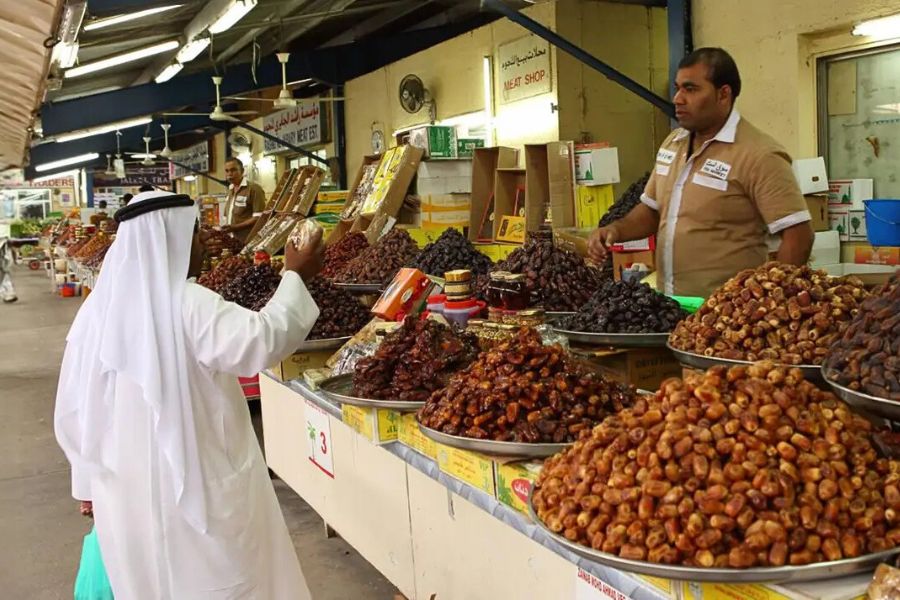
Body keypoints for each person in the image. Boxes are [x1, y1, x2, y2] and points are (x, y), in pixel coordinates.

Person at [54, 190, 324, 598]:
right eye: (195, 234)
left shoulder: (94, 313)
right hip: (198, 484)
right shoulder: (187, 304)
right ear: (175, 238)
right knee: (215, 580)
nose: (200, 246)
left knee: (150, 583)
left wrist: (87, 483)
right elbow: (261, 340)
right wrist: (296, 276)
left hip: (123, 492)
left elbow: (74, 410)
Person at [588, 47, 814, 297]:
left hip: (724, 312)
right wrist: (616, 230)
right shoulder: (673, 143)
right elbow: (652, 211)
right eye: (677, 88)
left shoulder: (759, 155)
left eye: (691, 89)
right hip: (669, 305)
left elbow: (798, 235)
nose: (678, 98)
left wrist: (773, 301)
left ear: (723, 94)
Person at [221, 157, 266, 244]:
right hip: (232, 240)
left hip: (248, 241)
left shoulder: (254, 189)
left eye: (233, 170)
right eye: (227, 171)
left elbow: (259, 217)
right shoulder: (230, 190)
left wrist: (235, 227)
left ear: (242, 171)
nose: (229, 174)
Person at [0, 236, 17, 303]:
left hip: (4, 264)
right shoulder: (6, 245)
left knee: (4, 280)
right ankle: (9, 295)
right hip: (6, 264)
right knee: (6, 279)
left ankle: (9, 295)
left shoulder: (4, 244)